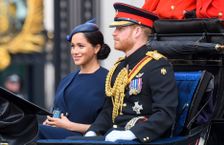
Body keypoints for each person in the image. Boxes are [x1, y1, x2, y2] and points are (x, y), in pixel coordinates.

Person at [84, 2, 178, 143]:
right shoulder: (119, 67)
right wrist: (94, 130)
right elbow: (109, 109)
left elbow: (165, 114)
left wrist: (133, 134)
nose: (114, 33)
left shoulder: (157, 66)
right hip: (113, 135)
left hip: (138, 138)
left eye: (120, 29)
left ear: (137, 31)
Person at [38, 19, 111, 139]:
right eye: (73, 46)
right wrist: (51, 122)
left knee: (33, 131)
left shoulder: (108, 80)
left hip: (84, 139)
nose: (75, 51)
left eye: (81, 46)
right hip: (57, 136)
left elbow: (108, 126)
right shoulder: (67, 79)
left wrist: (69, 125)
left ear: (96, 48)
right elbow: (57, 111)